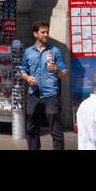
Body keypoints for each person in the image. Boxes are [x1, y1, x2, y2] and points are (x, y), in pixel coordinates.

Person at [19, 20, 68, 150]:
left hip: (51, 94)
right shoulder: (28, 52)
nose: (46, 35)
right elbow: (22, 71)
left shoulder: (55, 52)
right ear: (35, 34)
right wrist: (28, 78)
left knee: (55, 128)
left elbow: (65, 75)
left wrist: (56, 70)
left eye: (47, 32)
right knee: (31, 128)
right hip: (34, 94)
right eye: (43, 32)